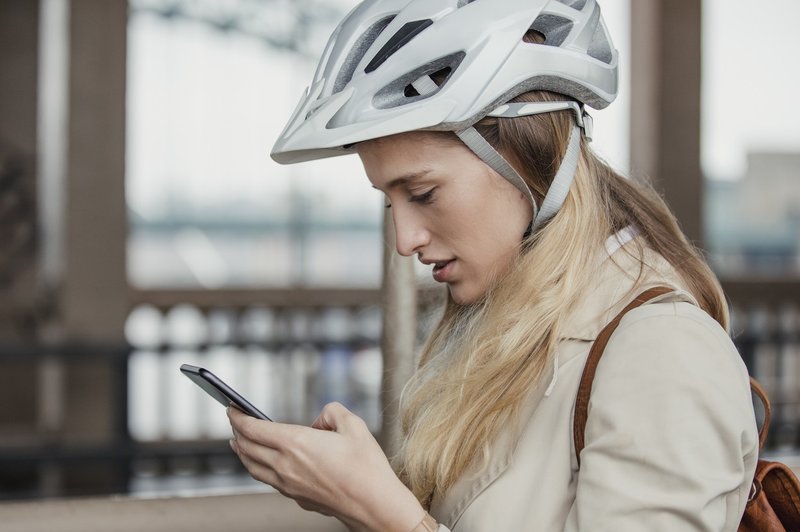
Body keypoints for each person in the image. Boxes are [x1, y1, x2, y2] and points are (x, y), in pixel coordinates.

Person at [227, 0, 759, 530]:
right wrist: (351, 488)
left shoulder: (663, 351)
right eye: (391, 201)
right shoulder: (519, 331)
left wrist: (380, 512)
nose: (404, 240)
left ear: (525, 161)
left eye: (423, 192)